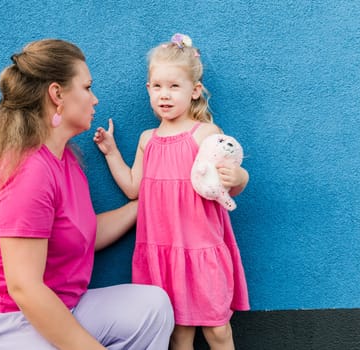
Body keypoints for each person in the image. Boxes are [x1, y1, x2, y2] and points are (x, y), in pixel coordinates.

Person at [0, 39, 174, 350]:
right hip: (0, 326)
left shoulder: (65, 159)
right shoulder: (27, 171)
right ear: (57, 94)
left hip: (61, 307)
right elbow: (24, 288)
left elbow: (83, 234)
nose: (95, 99)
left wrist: (147, 202)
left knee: (152, 307)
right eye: (87, 87)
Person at [94, 33, 250, 350]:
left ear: (194, 92)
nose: (165, 95)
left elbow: (229, 183)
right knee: (178, 334)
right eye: (157, 86)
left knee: (218, 331)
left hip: (200, 249)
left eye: (174, 86)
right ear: (148, 90)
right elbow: (134, 188)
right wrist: (112, 153)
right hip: (161, 252)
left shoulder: (204, 133)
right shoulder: (147, 139)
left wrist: (238, 175)